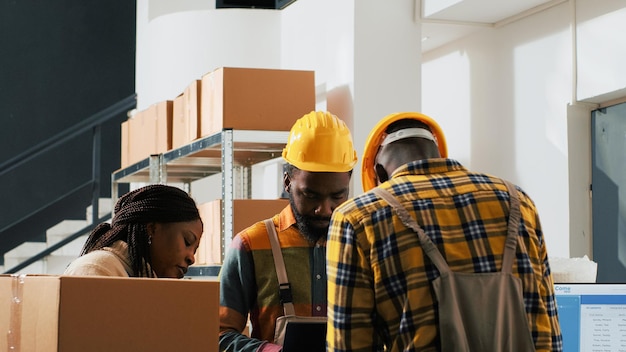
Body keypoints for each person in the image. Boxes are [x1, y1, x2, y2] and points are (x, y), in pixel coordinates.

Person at [326, 112, 563, 351]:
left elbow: (347, 345)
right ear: (438, 155)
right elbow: (550, 336)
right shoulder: (518, 203)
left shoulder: (357, 219)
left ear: (380, 172)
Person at [218, 111, 358, 352]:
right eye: (310, 195)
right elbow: (218, 334)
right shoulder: (250, 245)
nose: (323, 210)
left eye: (337, 196)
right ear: (287, 182)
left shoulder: (362, 244)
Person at [63, 184, 203, 278]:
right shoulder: (96, 270)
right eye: (187, 242)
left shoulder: (137, 275)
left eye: (194, 250)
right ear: (152, 229)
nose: (192, 258)